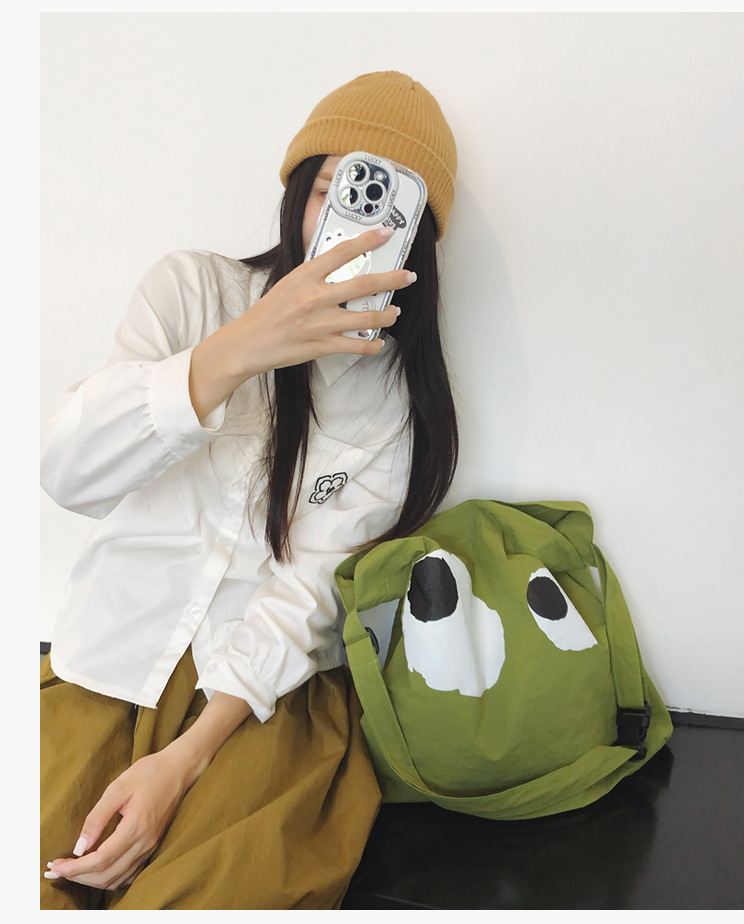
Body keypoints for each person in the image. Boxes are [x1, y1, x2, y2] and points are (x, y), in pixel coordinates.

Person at [40, 70, 459, 910]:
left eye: (388, 205)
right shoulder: (193, 290)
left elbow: (307, 597)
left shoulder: (395, 402)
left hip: (261, 700)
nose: (355, 221)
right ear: (298, 192)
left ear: (417, 237)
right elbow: (69, 471)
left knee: (206, 893)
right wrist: (240, 348)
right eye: (335, 188)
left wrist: (182, 762)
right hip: (107, 660)